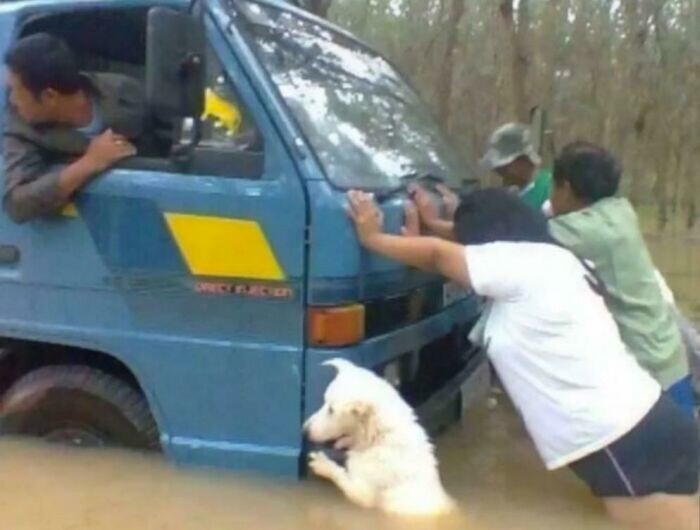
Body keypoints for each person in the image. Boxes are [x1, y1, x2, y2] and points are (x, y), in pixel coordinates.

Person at [346, 187, 699, 530]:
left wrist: (374, 239)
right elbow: (454, 252)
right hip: (643, 425)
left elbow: (440, 255)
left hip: (620, 440)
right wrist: (423, 230)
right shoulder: (552, 261)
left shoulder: (525, 264)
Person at [548, 142, 694, 417]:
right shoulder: (620, 211)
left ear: (565, 188)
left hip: (649, 370)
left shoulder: (584, 230)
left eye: (554, 187)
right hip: (667, 357)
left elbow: (517, 237)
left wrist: (442, 225)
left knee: (664, 456)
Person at [2, 33, 146, 223]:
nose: (11, 100)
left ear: (49, 96)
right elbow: (17, 204)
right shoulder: (21, 127)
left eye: (16, 91)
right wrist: (89, 163)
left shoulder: (124, 93)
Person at [479, 122, 552, 213]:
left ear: (525, 159)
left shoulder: (550, 188)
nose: (501, 173)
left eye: (505, 168)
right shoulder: (507, 196)